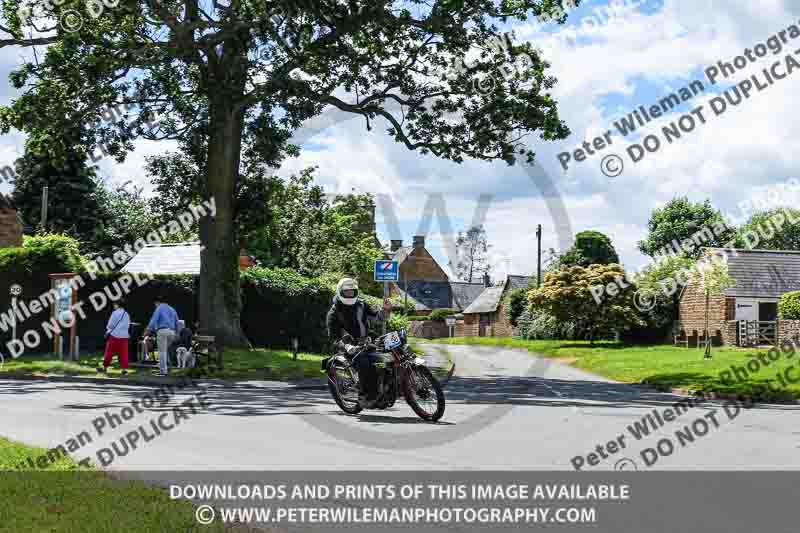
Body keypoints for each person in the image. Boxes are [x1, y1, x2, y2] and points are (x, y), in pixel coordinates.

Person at [326, 277, 392, 408]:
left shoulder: (361, 304)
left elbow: (377, 317)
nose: (350, 294)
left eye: (352, 291)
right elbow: (334, 337)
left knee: (388, 357)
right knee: (364, 362)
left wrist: (386, 310)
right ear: (340, 292)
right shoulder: (334, 312)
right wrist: (347, 346)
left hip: (366, 343)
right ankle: (365, 396)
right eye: (347, 292)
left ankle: (387, 390)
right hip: (348, 347)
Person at [143, 296, 179, 377]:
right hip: (172, 332)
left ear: (157, 302)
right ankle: (167, 366)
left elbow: (153, 320)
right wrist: (177, 333)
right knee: (165, 350)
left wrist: (147, 330)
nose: (155, 305)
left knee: (162, 351)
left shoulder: (159, 308)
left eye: (155, 304)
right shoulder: (172, 309)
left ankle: (163, 371)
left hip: (162, 331)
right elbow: (177, 322)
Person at [97, 300, 131, 375]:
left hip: (114, 335)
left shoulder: (115, 313)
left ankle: (105, 367)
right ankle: (124, 369)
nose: (114, 306)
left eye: (114, 305)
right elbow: (128, 325)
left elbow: (110, 325)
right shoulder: (126, 314)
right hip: (124, 336)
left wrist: (108, 330)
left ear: (117, 305)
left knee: (109, 352)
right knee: (124, 353)